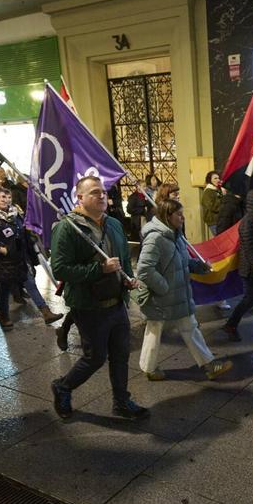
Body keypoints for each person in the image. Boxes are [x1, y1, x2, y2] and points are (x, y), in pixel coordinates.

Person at [50, 176, 147, 420]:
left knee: (121, 355)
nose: (102, 195)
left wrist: (128, 278)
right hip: (89, 306)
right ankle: (63, 386)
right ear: (79, 198)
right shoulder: (68, 228)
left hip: (116, 302)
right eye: (94, 192)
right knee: (95, 358)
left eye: (103, 191)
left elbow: (123, 258)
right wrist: (99, 270)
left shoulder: (113, 224)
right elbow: (60, 269)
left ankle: (121, 402)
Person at [136, 200, 233, 381]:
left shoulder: (177, 236)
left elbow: (183, 261)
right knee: (155, 330)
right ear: (167, 216)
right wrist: (163, 287)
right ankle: (149, 368)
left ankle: (209, 364)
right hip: (162, 297)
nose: (182, 218)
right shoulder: (155, 238)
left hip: (179, 295)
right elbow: (144, 269)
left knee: (189, 328)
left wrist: (200, 266)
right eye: (179, 214)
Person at [0, 186, 64, 330]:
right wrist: (0, 249)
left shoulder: (16, 214)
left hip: (20, 258)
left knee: (30, 283)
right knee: (4, 290)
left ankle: (46, 313)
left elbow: (24, 233)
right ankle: (4, 317)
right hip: (4, 262)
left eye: (4, 196)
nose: (3, 199)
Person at [221, 189, 253, 342]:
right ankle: (230, 325)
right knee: (251, 298)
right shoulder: (248, 222)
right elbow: (250, 251)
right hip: (250, 270)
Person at [200, 171, 224, 236]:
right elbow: (211, 206)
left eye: (218, 178)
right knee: (219, 239)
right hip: (213, 221)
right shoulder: (208, 191)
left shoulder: (216, 190)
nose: (218, 180)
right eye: (215, 178)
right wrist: (223, 206)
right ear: (209, 180)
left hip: (218, 219)